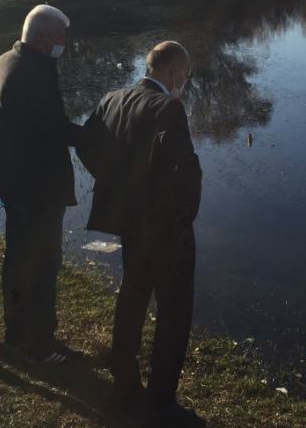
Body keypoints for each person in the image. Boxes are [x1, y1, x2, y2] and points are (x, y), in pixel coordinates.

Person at [78, 41, 203, 427]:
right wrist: (184, 221)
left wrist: (116, 184)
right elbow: (185, 172)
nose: (185, 79)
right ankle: (160, 401)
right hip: (164, 228)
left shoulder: (113, 98)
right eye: (185, 72)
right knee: (173, 311)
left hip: (129, 222)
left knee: (132, 295)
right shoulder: (168, 107)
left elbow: (86, 146)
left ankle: (125, 381)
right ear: (172, 71)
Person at [0, 4, 83, 364]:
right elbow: (50, 128)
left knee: (19, 259)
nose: (64, 44)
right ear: (42, 39)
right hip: (36, 188)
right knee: (41, 263)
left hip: (16, 182)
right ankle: (40, 345)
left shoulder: (8, 59)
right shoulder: (29, 73)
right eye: (60, 38)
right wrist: (95, 137)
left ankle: (17, 333)